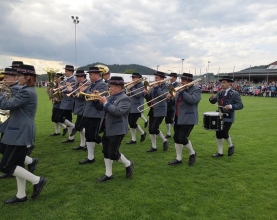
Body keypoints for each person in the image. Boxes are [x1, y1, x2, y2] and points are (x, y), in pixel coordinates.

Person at [0, 64, 47, 204]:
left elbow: (6, 105)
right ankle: (21, 195)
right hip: (18, 130)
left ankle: (37, 180)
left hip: (20, 131)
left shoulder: (26, 92)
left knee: (6, 166)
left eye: (19, 76)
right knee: (18, 164)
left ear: (27, 77)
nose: (17, 78)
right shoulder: (27, 90)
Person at [95, 76, 134, 182]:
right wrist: (96, 100)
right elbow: (99, 108)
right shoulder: (111, 97)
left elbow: (118, 111)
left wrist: (105, 103)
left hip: (118, 129)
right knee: (105, 152)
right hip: (108, 127)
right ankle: (108, 174)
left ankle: (128, 163)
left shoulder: (125, 98)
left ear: (118, 87)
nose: (109, 88)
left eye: (111, 87)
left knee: (112, 153)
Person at [168, 73, 200, 166]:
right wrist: (170, 98)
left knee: (182, 138)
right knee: (176, 138)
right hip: (178, 117)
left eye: (184, 81)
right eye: (181, 80)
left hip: (189, 117)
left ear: (189, 81)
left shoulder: (196, 89)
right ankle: (178, 158)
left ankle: (192, 153)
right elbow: (176, 102)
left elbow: (192, 100)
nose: (181, 82)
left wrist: (182, 92)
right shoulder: (180, 89)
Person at [78, 67, 107, 164]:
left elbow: (97, 97)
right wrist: (83, 91)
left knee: (94, 136)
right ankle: (90, 157)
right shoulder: (92, 84)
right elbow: (87, 97)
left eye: (91, 75)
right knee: (89, 135)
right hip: (88, 112)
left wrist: (84, 90)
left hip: (96, 113)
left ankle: (108, 148)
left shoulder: (102, 84)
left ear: (96, 74)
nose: (89, 77)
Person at [209, 76, 244, 157]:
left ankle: (231, 145)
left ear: (229, 83)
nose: (222, 84)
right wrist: (211, 99)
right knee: (218, 133)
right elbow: (214, 101)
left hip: (228, 116)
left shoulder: (234, 93)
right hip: (219, 115)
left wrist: (231, 106)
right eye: (222, 82)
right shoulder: (220, 92)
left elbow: (240, 105)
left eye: (224, 82)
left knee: (224, 133)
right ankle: (220, 152)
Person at [143, 71, 169, 152]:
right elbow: (150, 96)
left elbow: (163, 96)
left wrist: (157, 87)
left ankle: (164, 140)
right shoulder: (154, 87)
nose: (155, 79)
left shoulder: (165, 86)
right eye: (155, 78)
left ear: (161, 79)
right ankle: (154, 147)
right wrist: (145, 94)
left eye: (157, 78)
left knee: (154, 128)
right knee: (150, 129)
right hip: (153, 109)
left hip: (161, 109)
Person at [67, 69, 88, 151]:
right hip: (79, 107)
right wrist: (69, 89)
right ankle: (82, 144)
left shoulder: (88, 83)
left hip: (84, 107)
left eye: (80, 76)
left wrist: (71, 91)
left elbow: (82, 95)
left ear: (83, 76)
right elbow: (75, 95)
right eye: (77, 76)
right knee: (81, 127)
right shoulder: (77, 84)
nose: (78, 78)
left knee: (80, 126)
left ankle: (89, 140)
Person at [56, 65, 77, 143]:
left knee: (59, 117)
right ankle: (71, 138)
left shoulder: (73, 79)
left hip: (68, 102)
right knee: (68, 119)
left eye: (66, 71)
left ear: (71, 71)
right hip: (64, 101)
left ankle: (76, 127)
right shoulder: (66, 79)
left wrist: (62, 90)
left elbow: (72, 90)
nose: (65, 73)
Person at [126, 72, 147, 144]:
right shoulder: (133, 85)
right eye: (132, 77)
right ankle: (133, 139)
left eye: (134, 78)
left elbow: (138, 94)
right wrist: (128, 89)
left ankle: (142, 132)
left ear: (139, 78)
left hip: (138, 106)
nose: (133, 79)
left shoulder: (142, 85)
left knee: (132, 122)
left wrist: (131, 87)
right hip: (131, 106)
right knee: (131, 123)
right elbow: (129, 95)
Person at [165, 72, 180, 138]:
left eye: (171, 77)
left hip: (172, 104)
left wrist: (169, 85)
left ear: (175, 78)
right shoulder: (168, 84)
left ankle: (177, 131)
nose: (170, 78)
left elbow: (175, 94)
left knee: (170, 119)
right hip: (167, 103)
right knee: (166, 120)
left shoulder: (177, 85)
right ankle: (168, 133)